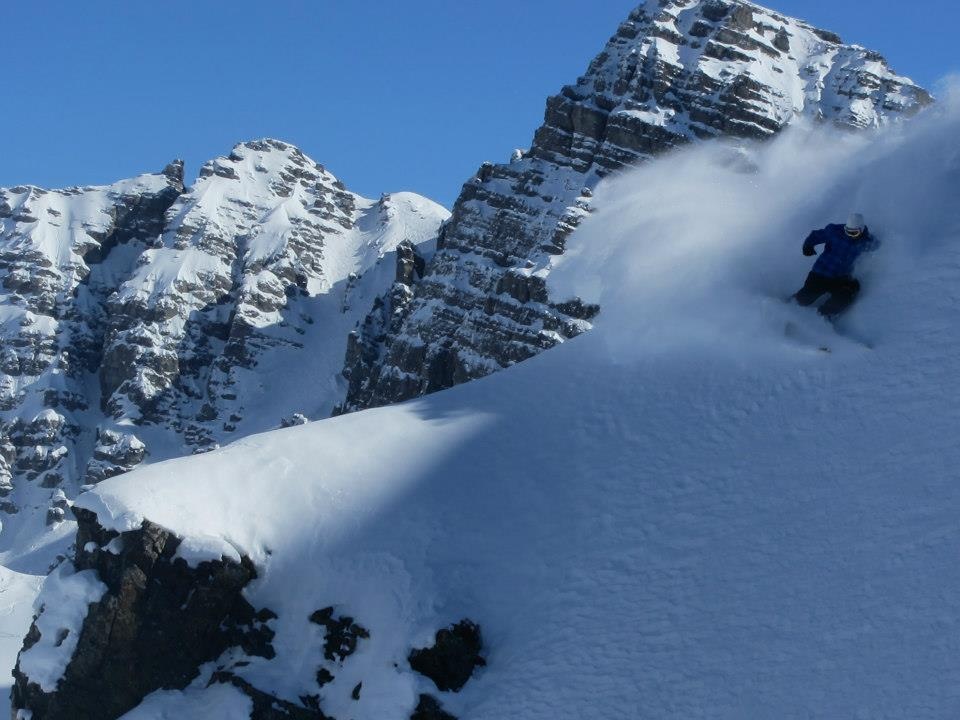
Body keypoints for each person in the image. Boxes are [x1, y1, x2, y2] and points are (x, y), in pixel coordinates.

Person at [793, 212, 880, 319]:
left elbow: (880, 248)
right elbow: (816, 235)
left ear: (861, 230)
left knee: (846, 294)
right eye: (848, 231)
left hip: (840, 279)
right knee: (805, 298)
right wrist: (808, 246)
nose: (850, 235)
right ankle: (785, 308)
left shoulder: (867, 242)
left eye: (854, 233)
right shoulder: (834, 232)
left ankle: (821, 317)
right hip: (821, 273)